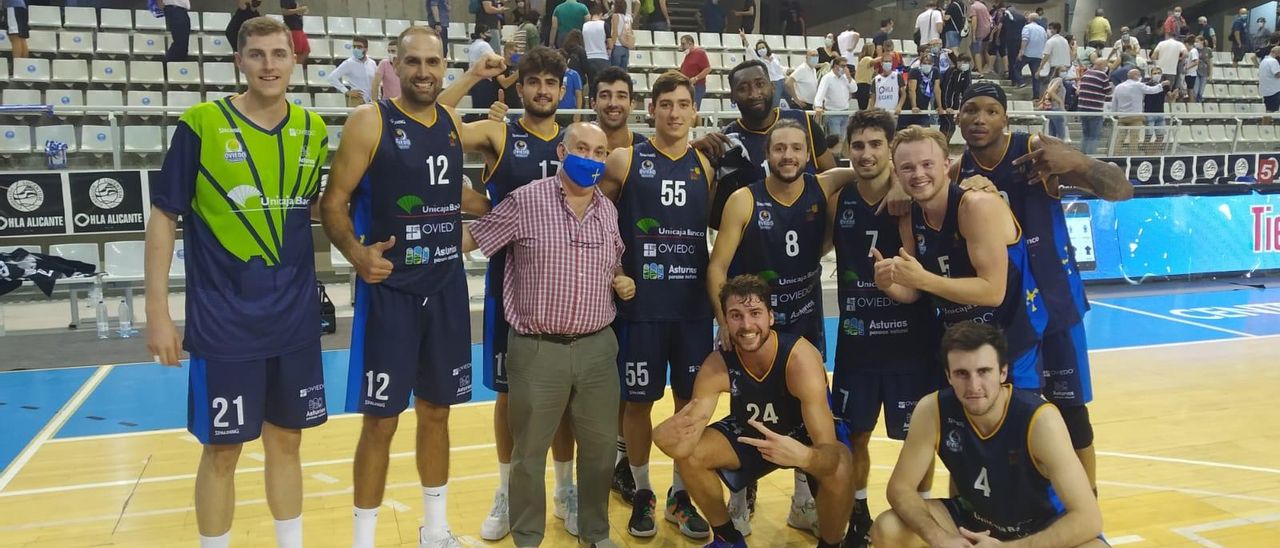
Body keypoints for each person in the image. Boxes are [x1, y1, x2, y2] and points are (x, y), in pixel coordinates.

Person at [144, 17, 328, 548]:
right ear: (238, 61)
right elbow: (163, 217)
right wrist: (157, 310)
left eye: (279, 53)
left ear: (295, 60)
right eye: (256, 54)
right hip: (224, 324)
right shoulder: (201, 124)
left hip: (294, 319)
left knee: (287, 442)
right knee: (223, 451)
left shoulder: (313, 130)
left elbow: (311, 207)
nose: (269, 64)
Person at [320, 27, 497, 548]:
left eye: (433, 62)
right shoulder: (367, 122)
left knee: (437, 413)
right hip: (391, 293)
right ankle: (363, 539)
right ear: (394, 65)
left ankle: (435, 532)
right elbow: (334, 202)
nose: (423, 71)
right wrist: (357, 254)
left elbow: (452, 180)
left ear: (444, 66)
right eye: (413, 62)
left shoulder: (447, 123)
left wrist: (483, 212)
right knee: (380, 421)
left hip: (445, 291)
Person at [462, 122, 633, 548]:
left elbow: (613, 263)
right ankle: (527, 537)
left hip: (597, 348)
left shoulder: (608, 211)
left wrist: (621, 279)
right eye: (582, 148)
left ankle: (595, 533)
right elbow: (474, 237)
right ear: (561, 151)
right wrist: (421, 233)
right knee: (528, 456)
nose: (590, 158)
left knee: (598, 454)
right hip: (537, 350)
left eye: (599, 152)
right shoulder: (525, 201)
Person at [435, 46, 582, 541]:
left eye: (550, 83)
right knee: (508, 397)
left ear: (563, 91)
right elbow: (433, 123)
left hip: (568, 289)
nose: (542, 90)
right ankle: (508, 491)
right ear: (519, 90)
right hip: (510, 286)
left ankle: (565, 491)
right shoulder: (501, 132)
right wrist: (472, 76)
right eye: (533, 82)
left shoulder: (578, 143)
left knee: (563, 399)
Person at [955, 83, 1133, 489]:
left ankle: (1088, 508)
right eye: (970, 110)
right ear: (957, 117)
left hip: (1053, 304)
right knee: (1009, 415)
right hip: (1004, 313)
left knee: (1071, 415)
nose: (980, 119)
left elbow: (1122, 189)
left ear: (1006, 118)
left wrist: (1079, 161)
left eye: (990, 111)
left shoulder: (1035, 150)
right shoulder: (957, 169)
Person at [707, 120, 858, 535]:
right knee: (746, 406)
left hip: (804, 320)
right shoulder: (744, 199)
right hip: (753, 325)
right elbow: (717, 266)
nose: (787, 156)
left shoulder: (821, 186)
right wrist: (725, 322)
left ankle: (804, 501)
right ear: (766, 155)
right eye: (779, 149)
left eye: (796, 148)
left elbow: (868, 168)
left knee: (808, 412)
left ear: (808, 155)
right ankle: (741, 496)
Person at [594, 71, 715, 540]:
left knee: (688, 404)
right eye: (666, 104)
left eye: (683, 105)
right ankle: (642, 491)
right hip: (640, 306)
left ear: (694, 111)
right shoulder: (625, 160)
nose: (674, 113)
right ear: (652, 110)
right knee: (637, 402)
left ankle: (679, 495)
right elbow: (597, 224)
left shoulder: (704, 165)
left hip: (690, 308)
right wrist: (613, 272)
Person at [652, 274, 853, 548]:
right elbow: (687, 438)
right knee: (691, 455)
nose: (746, 325)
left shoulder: (800, 359)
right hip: (752, 437)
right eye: (735, 315)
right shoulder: (717, 365)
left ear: (770, 317)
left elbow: (829, 454)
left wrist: (804, 456)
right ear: (723, 320)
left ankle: (831, 545)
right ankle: (727, 537)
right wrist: (663, 437)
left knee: (840, 464)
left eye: (755, 313)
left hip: (801, 439)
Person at [870, 322, 1106, 547]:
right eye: (962, 373)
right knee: (889, 529)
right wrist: (939, 538)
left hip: (1039, 529)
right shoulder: (933, 410)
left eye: (984, 371)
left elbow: (1089, 519)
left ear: (1003, 372)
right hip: (974, 522)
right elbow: (900, 488)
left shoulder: (1040, 420)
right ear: (948, 375)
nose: (974, 386)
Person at [825, 111, 942, 548]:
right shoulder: (840, 198)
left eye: (877, 144)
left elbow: (947, 171)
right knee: (854, 434)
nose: (867, 153)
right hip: (857, 343)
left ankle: (925, 507)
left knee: (920, 435)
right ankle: (857, 507)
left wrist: (899, 180)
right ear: (848, 149)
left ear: (890, 149)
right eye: (859, 145)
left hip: (910, 343)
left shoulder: (913, 194)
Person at [874, 123, 1047, 392]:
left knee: (1014, 428)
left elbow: (992, 291)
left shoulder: (976, 206)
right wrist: (890, 283)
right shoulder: (910, 217)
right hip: (962, 346)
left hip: (1012, 340)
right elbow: (914, 290)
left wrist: (924, 279)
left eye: (927, 164)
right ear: (897, 173)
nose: (918, 174)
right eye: (907, 167)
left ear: (946, 165)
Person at [699, 59, 836, 230]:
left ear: (772, 87)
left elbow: (832, 179)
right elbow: (715, 216)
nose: (754, 93)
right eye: (743, 88)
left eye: (760, 84)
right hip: (756, 243)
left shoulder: (803, 123)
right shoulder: (727, 141)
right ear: (732, 96)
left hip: (806, 234)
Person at [1112, 68, 1168, 153]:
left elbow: (1114, 102)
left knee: (1120, 137)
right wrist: (1162, 84)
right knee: (1134, 138)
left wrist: (1114, 114)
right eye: (1139, 75)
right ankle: (1132, 156)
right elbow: (1152, 90)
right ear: (1135, 76)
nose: (1140, 77)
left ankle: (1115, 155)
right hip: (1135, 117)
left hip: (1122, 116)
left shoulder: (1118, 87)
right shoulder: (1138, 85)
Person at [814, 56, 858, 153]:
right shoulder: (827, 78)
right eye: (843, 66)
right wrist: (818, 105)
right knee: (834, 140)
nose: (845, 68)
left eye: (846, 66)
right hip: (832, 113)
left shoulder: (845, 78)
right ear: (835, 66)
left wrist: (849, 77)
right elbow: (820, 93)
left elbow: (854, 89)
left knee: (842, 140)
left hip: (845, 113)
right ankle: (833, 158)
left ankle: (839, 158)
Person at [741, 31, 788, 108]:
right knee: (775, 105)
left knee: (791, 100)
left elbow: (781, 68)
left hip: (783, 80)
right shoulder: (759, 61)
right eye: (759, 48)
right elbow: (750, 50)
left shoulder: (775, 57)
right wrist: (744, 39)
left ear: (766, 48)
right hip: (773, 83)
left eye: (763, 47)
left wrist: (787, 73)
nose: (761, 49)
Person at [1075, 57, 1113, 155]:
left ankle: (1082, 155)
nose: (1106, 67)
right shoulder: (1102, 75)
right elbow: (1109, 91)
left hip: (1082, 108)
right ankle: (1090, 157)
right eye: (1105, 65)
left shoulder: (1086, 73)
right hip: (1094, 109)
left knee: (1086, 134)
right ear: (1101, 65)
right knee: (1094, 135)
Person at [328, 36, 377, 106]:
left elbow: (376, 81)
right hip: (357, 99)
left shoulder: (372, 63)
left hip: (372, 100)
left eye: (359, 47)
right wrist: (346, 91)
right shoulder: (349, 63)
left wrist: (377, 97)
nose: (356, 49)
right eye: (354, 46)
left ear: (366, 49)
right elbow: (331, 78)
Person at [901, 52, 940, 129]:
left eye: (929, 63)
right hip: (908, 107)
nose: (927, 65)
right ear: (921, 63)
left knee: (925, 131)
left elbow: (937, 90)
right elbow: (912, 90)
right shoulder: (914, 71)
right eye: (924, 63)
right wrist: (914, 106)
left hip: (923, 108)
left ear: (932, 64)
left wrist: (940, 106)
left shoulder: (935, 71)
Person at [938, 52, 972, 141]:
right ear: (958, 62)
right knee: (949, 126)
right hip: (944, 103)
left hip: (955, 103)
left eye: (967, 62)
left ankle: (943, 146)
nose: (966, 65)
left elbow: (966, 91)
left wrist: (962, 109)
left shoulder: (966, 73)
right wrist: (947, 106)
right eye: (964, 62)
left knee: (949, 126)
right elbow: (946, 90)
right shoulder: (951, 72)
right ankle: (943, 145)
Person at [582, 4, 610, 91]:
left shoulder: (585, 26)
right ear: (601, 14)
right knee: (603, 85)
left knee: (591, 85)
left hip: (588, 58)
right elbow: (610, 43)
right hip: (602, 58)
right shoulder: (604, 24)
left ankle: (591, 103)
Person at [680, 35, 713, 109]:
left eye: (683, 44)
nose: (682, 46)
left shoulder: (699, 53)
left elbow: (708, 69)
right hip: (687, 86)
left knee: (693, 108)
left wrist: (696, 78)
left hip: (697, 87)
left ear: (690, 44)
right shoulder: (688, 55)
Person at [1018, 12, 1047, 96]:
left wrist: (1021, 51)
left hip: (1027, 53)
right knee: (1035, 75)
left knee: (1016, 68)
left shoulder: (1027, 27)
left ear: (1029, 19)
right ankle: (1036, 96)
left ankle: (1021, 82)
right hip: (1038, 55)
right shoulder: (1042, 29)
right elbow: (1045, 40)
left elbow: (1025, 39)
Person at [279, 0, 309, 65]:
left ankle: (296, 67)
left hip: (299, 28)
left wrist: (300, 11)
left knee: (306, 50)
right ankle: (293, 69)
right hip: (292, 28)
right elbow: (284, 11)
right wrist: (299, 10)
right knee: (296, 51)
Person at [609, 0, 635, 68]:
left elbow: (615, 32)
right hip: (625, 48)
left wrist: (611, 46)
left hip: (617, 46)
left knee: (615, 72)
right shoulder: (628, 18)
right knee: (623, 73)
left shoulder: (615, 16)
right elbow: (630, 33)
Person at [969, 0, 992, 74]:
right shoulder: (983, 6)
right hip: (987, 30)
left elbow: (974, 21)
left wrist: (973, 35)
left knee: (976, 51)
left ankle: (980, 71)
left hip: (979, 31)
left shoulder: (973, 7)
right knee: (978, 49)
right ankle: (979, 67)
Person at [854, 43, 879, 110]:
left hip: (862, 85)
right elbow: (874, 61)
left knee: (863, 107)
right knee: (864, 108)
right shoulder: (867, 59)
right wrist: (885, 55)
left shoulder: (863, 60)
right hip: (863, 86)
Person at [1261, 46, 1280, 121]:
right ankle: (1265, 128)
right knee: (1270, 112)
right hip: (1274, 91)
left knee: (1269, 111)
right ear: (1277, 53)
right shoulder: (1273, 61)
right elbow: (1277, 74)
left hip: (1267, 90)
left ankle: (1264, 129)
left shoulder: (1264, 61)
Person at [1193, 35, 1212, 102]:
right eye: (1195, 42)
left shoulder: (1208, 50)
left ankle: (1199, 102)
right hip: (1196, 72)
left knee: (1201, 91)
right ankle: (1195, 102)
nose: (1196, 43)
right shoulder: (1194, 50)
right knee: (1196, 90)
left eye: (1197, 41)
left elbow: (1210, 63)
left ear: (1202, 41)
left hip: (1205, 72)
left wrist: (1210, 74)